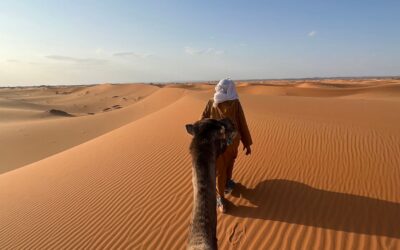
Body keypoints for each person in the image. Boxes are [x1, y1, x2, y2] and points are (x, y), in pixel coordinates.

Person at [201, 78, 253, 213]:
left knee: (222, 168)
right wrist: (246, 143)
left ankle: (225, 187)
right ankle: (221, 197)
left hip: (217, 144)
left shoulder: (212, 102)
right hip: (228, 143)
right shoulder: (235, 103)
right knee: (225, 166)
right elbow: (242, 123)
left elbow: (202, 121)